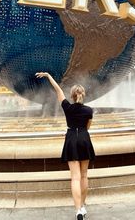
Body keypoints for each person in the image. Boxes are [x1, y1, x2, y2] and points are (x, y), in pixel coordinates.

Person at [35, 72, 95, 220]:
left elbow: (58, 90)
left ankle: (78, 211)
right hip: (84, 138)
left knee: (75, 178)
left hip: (71, 140)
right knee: (84, 175)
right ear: (83, 95)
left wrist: (48, 76)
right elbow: (88, 127)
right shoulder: (89, 110)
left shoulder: (67, 107)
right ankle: (82, 205)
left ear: (72, 95)